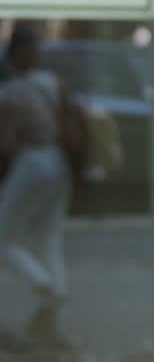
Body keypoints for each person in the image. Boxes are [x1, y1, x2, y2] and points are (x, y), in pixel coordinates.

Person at [0, 24, 77, 351]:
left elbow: (5, 143)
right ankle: (52, 308)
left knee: (3, 237)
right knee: (50, 238)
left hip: (31, 162)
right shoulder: (52, 83)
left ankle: (44, 285)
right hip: (59, 162)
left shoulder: (12, 93)